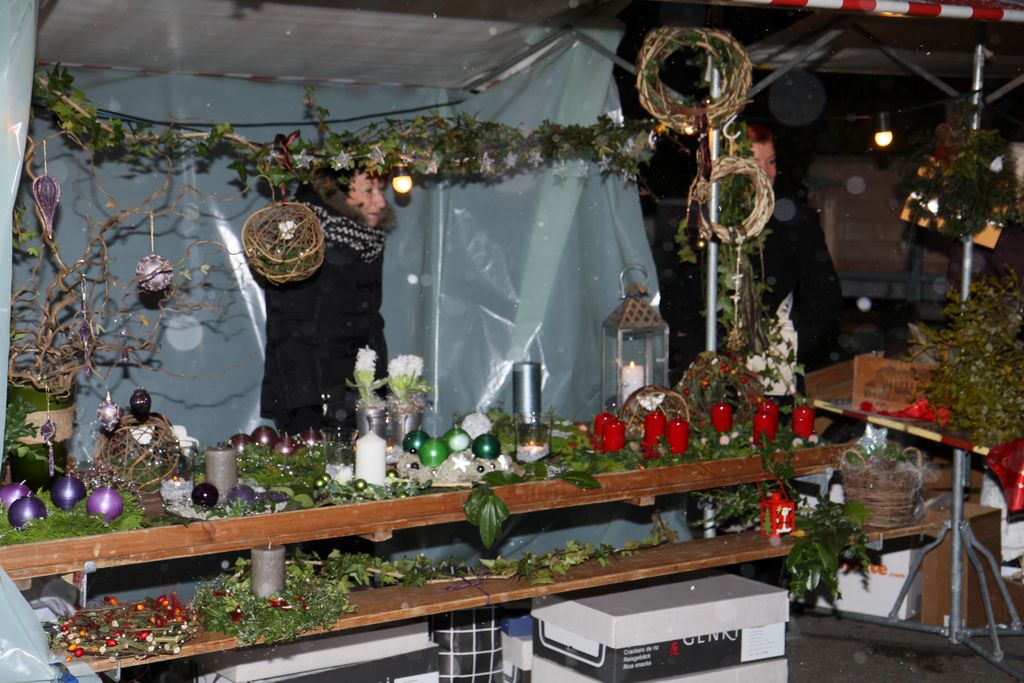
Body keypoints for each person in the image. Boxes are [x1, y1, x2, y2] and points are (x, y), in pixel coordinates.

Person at [652, 124, 842, 387]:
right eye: (755, 163)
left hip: (775, 370)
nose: (766, 173)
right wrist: (700, 350)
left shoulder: (795, 222)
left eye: (771, 162)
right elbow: (676, 296)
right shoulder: (703, 222)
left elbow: (824, 296)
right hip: (709, 373)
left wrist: (788, 341)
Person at [260, 168, 394, 434]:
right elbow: (290, 327)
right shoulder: (302, 238)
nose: (380, 202)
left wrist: (376, 385)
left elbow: (370, 322)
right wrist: (307, 407)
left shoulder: (367, 241)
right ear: (336, 193)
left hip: (355, 390)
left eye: (380, 191)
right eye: (368, 191)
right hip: (312, 397)